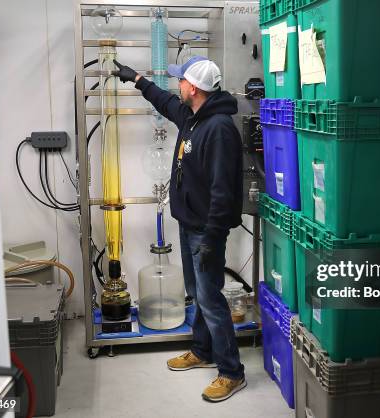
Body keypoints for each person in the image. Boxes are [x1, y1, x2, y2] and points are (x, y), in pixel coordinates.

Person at [113, 56, 246, 402]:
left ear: (195, 88)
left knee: (211, 298)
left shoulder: (218, 129)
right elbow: (166, 102)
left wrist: (212, 239)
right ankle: (202, 350)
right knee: (196, 292)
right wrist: (139, 80)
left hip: (207, 231)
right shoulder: (193, 117)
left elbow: (222, 192)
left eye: (181, 81)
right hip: (190, 225)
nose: (177, 86)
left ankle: (232, 371)